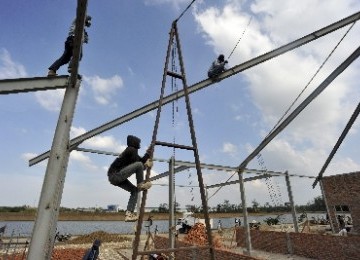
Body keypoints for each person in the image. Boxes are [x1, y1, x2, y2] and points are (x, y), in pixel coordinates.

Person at [107, 135, 153, 222]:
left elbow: (140, 161)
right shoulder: (131, 149)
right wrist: (145, 165)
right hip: (115, 175)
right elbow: (139, 164)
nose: (139, 143)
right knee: (139, 166)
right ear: (134, 142)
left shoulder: (131, 152)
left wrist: (148, 154)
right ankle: (141, 185)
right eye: (138, 142)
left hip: (115, 177)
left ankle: (129, 214)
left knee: (134, 191)